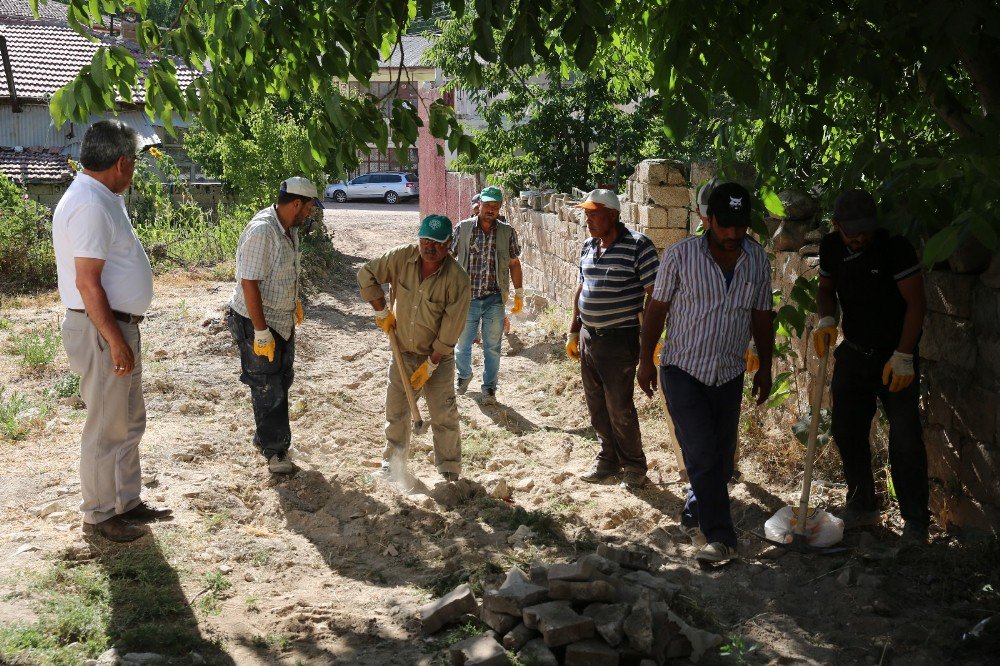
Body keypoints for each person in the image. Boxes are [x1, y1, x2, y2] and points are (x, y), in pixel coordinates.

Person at [638, 182, 774, 564]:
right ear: (708, 219)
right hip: (683, 369)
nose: (732, 234)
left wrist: (765, 365)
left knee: (721, 458)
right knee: (700, 452)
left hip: (729, 372)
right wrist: (645, 359)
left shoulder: (757, 260)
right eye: (725, 225)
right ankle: (722, 538)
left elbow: (762, 315)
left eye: (740, 226)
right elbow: (657, 309)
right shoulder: (680, 256)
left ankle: (695, 513)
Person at [53, 119, 171, 543]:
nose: (135, 169)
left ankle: (125, 501)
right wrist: (115, 340)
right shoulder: (89, 203)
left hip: (117, 326)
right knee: (106, 425)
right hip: (102, 329)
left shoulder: (102, 196)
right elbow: (88, 284)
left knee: (128, 419)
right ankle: (100, 514)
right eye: (135, 162)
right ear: (122, 162)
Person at [813, 189, 929, 543]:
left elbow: (917, 304)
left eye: (866, 230)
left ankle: (915, 521)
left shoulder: (895, 248)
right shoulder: (831, 247)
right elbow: (825, 289)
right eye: (853, 231)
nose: (861, 237)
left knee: (906, 439)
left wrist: (904, 355)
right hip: (855, 352)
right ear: (837, 226)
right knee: (846, 429)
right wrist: (825, 319)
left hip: (896, 358)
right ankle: (862, 504)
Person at [358, 215, 472, 481]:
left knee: (443, 413)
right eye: (425, 240)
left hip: (438, 359)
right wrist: (382, 310)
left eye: (437, 243)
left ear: (449, 245)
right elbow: (366, 274)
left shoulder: (457, 280)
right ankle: (393, 465)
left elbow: (451, 328)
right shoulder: (401, 258)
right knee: (396, 411)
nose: (429, 247)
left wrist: (431, 364)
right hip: (403, 353)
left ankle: (449, 468)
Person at [566, 189, 660, 489]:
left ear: (613, 215)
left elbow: (654, 296)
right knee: (596, 404)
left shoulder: (638, 246)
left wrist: (651, 343)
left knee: (619, 405)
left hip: (620, 339)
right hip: (588, 336)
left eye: (595, 213)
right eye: (587, 213)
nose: (588, 219)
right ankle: (608, 459)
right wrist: (573, 330)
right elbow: (581, 290)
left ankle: (634, 465)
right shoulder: (588, 246)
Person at [227, 177, 322, 474]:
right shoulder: (263, 231)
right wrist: (260, 331)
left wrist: (292, 301)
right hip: (258, 320)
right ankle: (276, 451)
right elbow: (249, 283)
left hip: (281, 320)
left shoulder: (288, 229)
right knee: (268, 385)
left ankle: (265, 436)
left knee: (282, 379)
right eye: (308, 207)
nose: (310, 213)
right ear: (296, 203)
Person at [451, 186, 524, 404]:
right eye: (487, 205)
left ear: (500, 208)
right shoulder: (463, 229)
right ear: (479, 205)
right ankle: (464, 375)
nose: (491, 209)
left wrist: (519, 292)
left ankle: (489, 388)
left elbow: (514, 262)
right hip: (467, 297)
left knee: (492, 347)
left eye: (495, 206)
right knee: (462, 344)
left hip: (494, 298)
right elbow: (448, 258)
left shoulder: (506, 232)